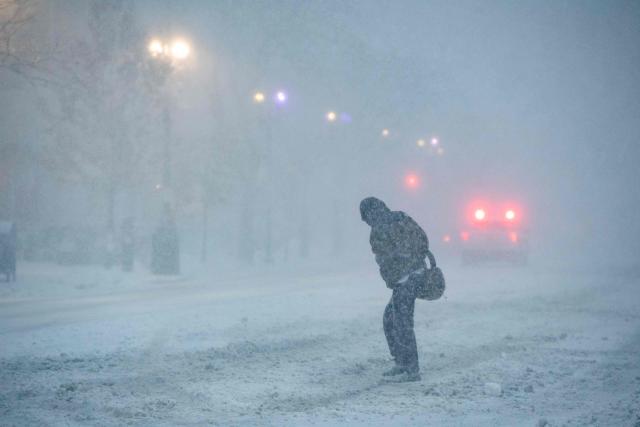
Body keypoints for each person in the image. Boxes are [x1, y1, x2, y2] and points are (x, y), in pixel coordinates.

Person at [360, 197, 429, 382]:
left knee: (401, 322)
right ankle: (402, 362)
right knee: (391, 319)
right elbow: (423, 240)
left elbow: (387, 257)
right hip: (409, 277)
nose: (366, 222)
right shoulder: (400, 218)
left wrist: (402, 264)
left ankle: (411, 369)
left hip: (408, 278)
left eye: (365, 217)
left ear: (369, 214)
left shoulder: (383, 227)